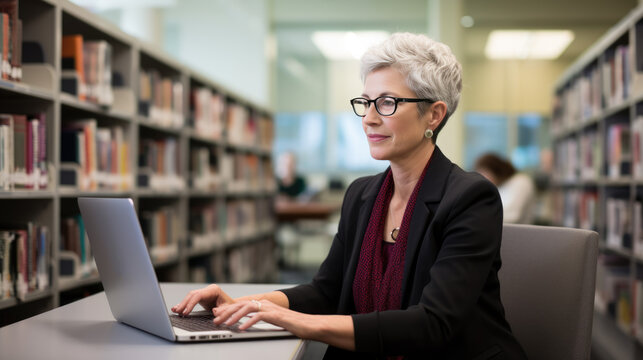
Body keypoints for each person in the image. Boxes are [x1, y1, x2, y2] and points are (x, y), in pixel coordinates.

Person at [172, 33, 527, 359]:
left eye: (387, 103)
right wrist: (244, 303)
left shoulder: (470, 198)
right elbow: (326, 291)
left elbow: (433, 324)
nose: (368, 119)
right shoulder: (362, 195)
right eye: (366, 102)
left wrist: (296, 322)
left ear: (433, 114)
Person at [474, 153, 536, 224]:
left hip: (518, 232)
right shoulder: (499, 186)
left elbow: (512, 216)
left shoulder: (521, 181)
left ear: (495, 169)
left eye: (484, 173)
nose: (482, 178)